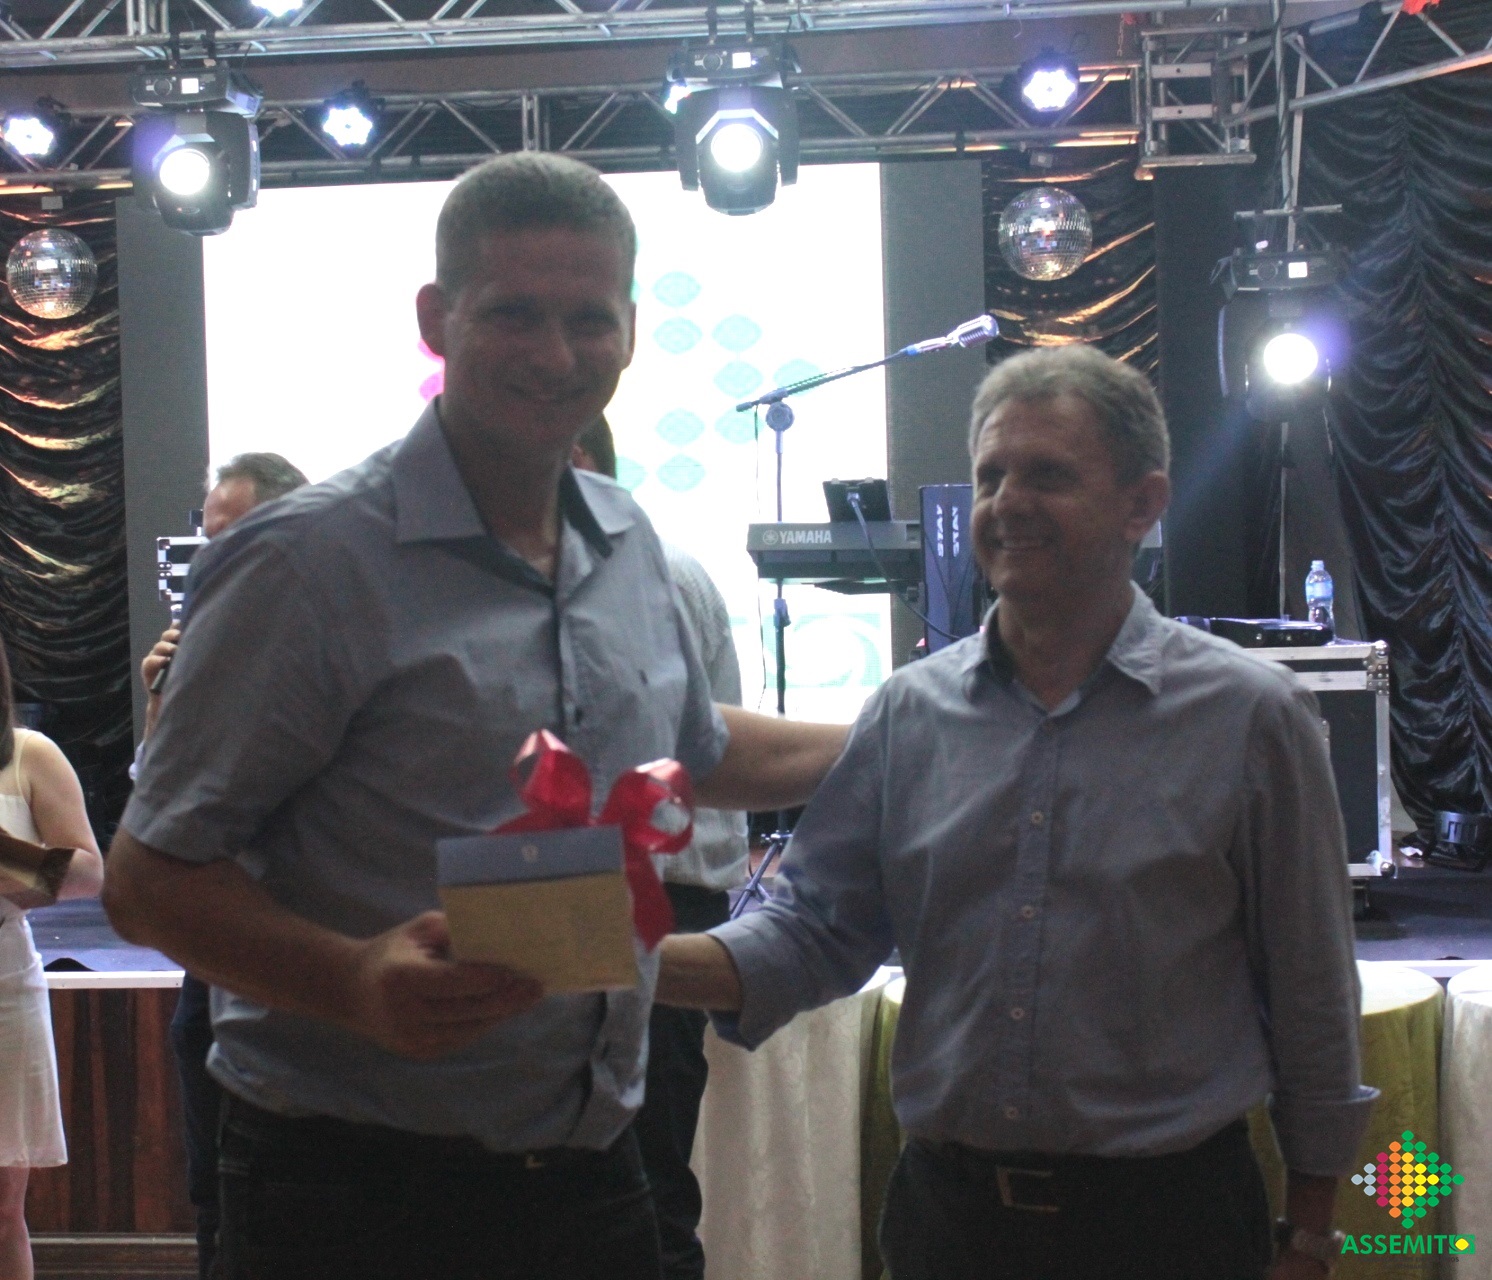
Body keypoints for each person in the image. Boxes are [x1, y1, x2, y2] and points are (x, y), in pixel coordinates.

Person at [102, 152, 847, 1280]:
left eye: (588, 320)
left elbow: (695, 750)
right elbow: (146, 879)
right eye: (514, 314)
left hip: (593, 1169)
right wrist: (352, 978)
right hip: (350, 1190)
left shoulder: (628, 541)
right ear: (434, 320)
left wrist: (905, 729)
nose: (555, 354)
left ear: (631, 332)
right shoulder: (306, 561)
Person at [658, 345, 1375, 1280]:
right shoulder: (909, 713)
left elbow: (1312, 990)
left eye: (1048, 475)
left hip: (1170, 1229)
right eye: (990, 475)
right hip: (950, 1226)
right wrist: (623, 964)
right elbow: (811, 931)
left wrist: (1311, 1233)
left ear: (1143, 504)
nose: (1007, 503)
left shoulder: (1250, 718)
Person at [572, 415, 747, 1280]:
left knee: (645, 1185)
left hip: (654, 897)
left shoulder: (642, 577)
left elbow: (659, 757)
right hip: (622, 895)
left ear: (576, 462)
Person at [137, 451, 308, 1280]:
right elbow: (159, 820)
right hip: (212, 976)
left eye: (234, 535)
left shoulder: (337, 644)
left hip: (305, 973)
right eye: (208, 540)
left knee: (296, 1199)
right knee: (215, 1195)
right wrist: (162, 701)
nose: (215, 560)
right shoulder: (199, 656)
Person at [0, 642, 104, 1280]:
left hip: (2, 989)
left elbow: (90, 872)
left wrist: (7, 859)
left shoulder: (27, 753)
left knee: (1, 1210)